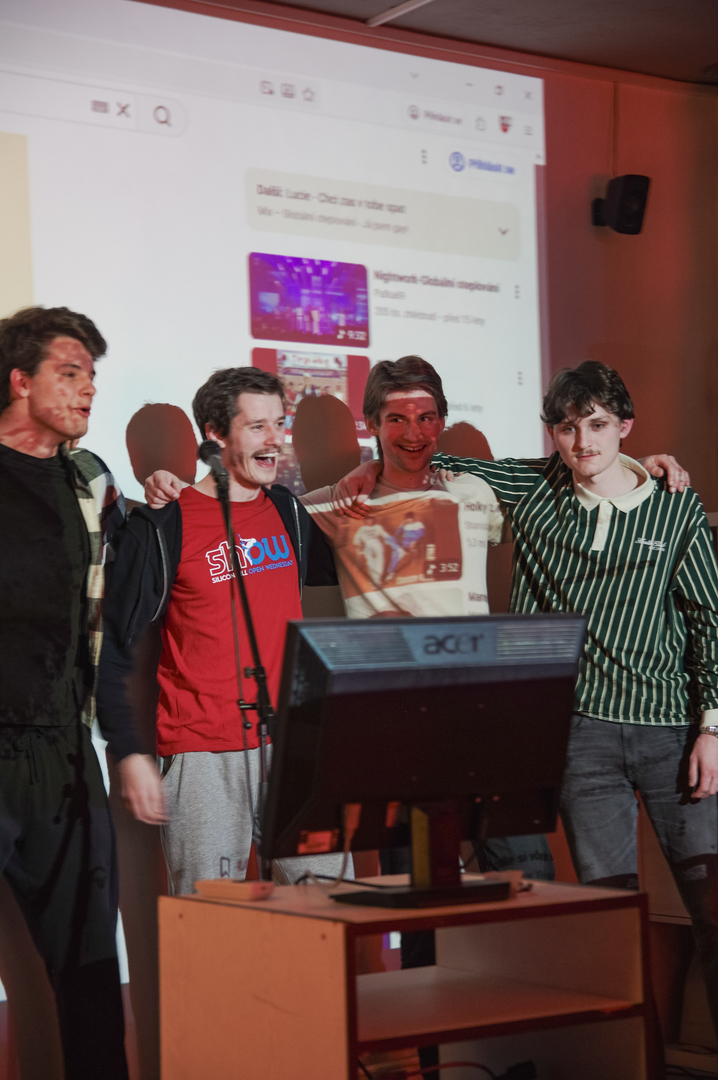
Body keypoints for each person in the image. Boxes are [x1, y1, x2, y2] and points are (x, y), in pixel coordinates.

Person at [337, 359, 718, 1036]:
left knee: (712, 909)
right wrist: (370, 466)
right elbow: (429, 454)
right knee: (609, 920)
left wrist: (712, 728)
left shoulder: (674, 504)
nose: (583, 441)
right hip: (581, 736)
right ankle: (632, 1062)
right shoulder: (536, 487)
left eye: (597, 425)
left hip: (673, 733)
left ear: (625, 427)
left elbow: (707, 619)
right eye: (568, 428)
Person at [98, 367, 341, 896]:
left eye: (279, 424)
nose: (275, 440)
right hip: (203, 753)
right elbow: (112, 648)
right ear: (214, 433)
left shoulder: (288, 510)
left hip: (294, 744)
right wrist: (130, 751)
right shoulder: (163, 524)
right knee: (210, 923)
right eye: (257, 426)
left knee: (331, 910)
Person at [0, 305, 160, 1080]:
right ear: (19, 381)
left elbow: (118, 628)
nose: (88, 389)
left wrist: (126, 746)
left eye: (92, 376)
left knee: (92, 969)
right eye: (69, 373)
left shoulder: (90, 482)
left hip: (62, 757)